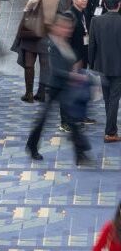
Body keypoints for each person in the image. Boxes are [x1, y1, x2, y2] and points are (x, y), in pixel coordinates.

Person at [26, 13, 93, 164]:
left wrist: (75, 69)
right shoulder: (50, 43)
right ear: (56, 27)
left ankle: (80, 154)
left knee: (72, 120)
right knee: (43, 119)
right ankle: (32, 145)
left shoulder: (63, 42)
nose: (67, 30)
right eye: (64, 27)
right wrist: (74, 76)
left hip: (65, 87)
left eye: (69, 27)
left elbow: (72, 60)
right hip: (54, 86)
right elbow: (55, 69)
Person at [15, 0, 60, 103]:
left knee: (29, 63)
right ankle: (41, 93)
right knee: (44, 64)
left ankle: (29, 93)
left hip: (34, 30)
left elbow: (34, 0)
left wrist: (26, 8)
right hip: (48, 31)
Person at [88, 0, 121, 143]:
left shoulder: (96, 21)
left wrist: (91, 64)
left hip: (101, 65)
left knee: (108, 98)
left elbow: (92, 46)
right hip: (119, 67)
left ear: (105, 5)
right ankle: (110, 132)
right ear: (119, 5)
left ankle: (111, 128)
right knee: (114, 98)